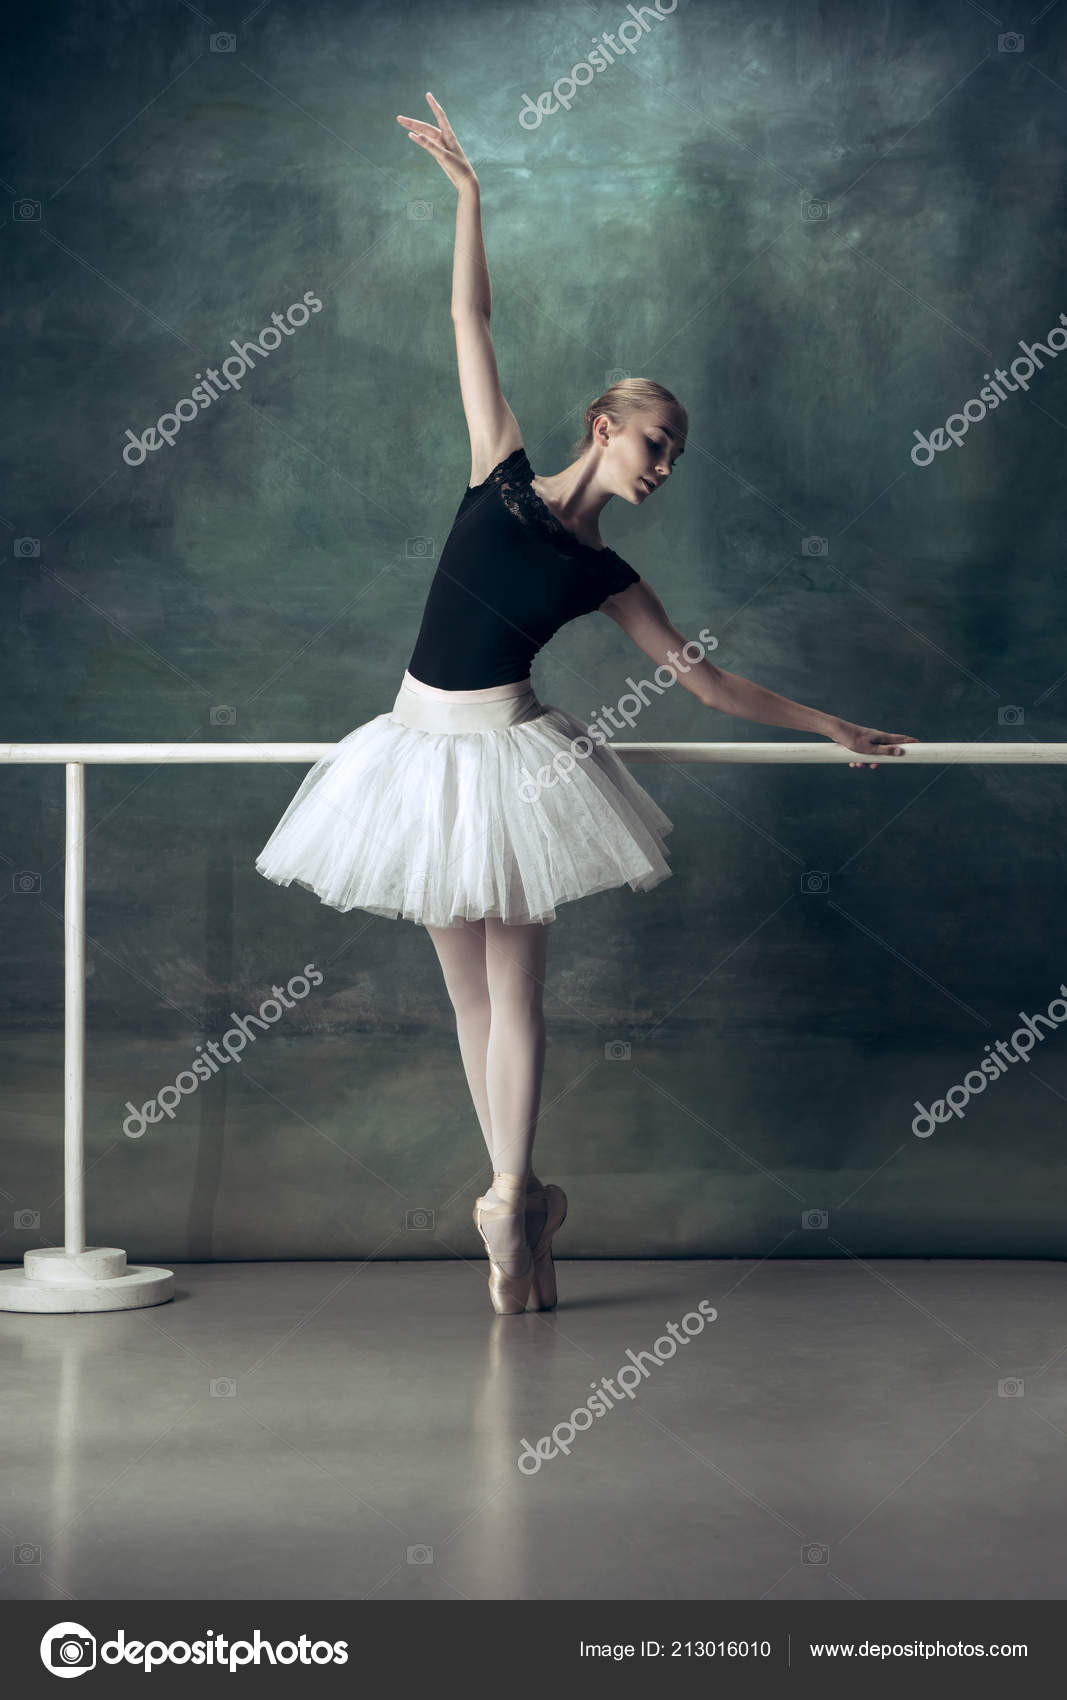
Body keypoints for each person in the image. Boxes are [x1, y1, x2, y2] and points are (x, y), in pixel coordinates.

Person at [255, 93, 918, 1316]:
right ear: (602, 426)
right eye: (652, 442)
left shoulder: (602, 565)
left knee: (499, 993)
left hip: (475, 752)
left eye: (673, 458)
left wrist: (832, 724)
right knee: (483, 993)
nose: (661, 467)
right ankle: (514, 1198)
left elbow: (706, 678)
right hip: (428, 757)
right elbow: (469, 314)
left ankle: (509, 1195)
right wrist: (468, 198)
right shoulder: (495, 463)